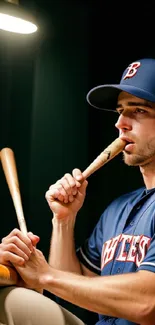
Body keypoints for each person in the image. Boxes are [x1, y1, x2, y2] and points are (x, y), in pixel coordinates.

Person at [1, 57, 155, 325]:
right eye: (120, 110)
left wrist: (44, 274)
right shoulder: (117, 209)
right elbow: (71, 290)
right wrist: (63, 220)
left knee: (12, 302)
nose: (121, 123)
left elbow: (148, 303)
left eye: (138, 111)